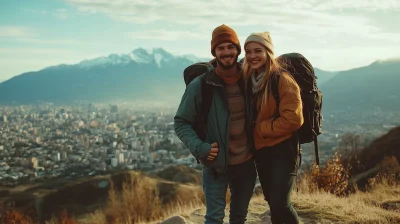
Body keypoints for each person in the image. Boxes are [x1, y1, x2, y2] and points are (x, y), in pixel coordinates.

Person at [174, 24, 257, 224]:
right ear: (214, 52)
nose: (226, 52)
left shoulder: (250, 79)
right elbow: (181, 122)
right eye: (221, 48)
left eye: (231, 47)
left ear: (238, 49)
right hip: (216, 166)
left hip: (247, 163)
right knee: (214, 218)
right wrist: (200, 148)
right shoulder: (201, 85)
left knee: (239, 217)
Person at [243, 32, 303, 224]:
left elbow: (293, 118)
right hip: (262, 151)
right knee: (271, 201)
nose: (252, 56)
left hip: (283, 149)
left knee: (280, 203)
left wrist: (261, 128)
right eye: (248, 51)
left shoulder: (282, 79)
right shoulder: (249, 79)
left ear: (268, 52)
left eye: (258, 50)